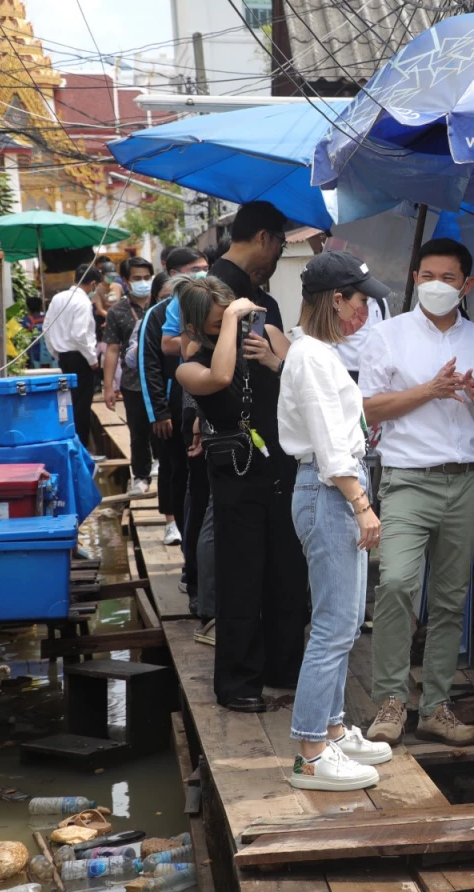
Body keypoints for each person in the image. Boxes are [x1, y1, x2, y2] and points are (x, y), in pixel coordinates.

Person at [361, 237, 474, 747]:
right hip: (406, 479)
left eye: (448, 278)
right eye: (427, 276)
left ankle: (437, 707)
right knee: (398, 584)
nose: (436, 286)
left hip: (465, 480)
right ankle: (390, 700)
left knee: (450, 599)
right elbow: (367, 409)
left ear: (467, 285)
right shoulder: (386, 336)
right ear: (414, 279)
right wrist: (430, 389)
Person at [177, 202, 299, 713]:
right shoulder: (193, 362)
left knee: (286, 570)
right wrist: (230, 324)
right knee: (242, 577)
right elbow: (221, 377)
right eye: (216, 315)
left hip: (277, 464)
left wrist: (272, 348)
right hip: (233, 473)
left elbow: (301, 371)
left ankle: (284, 667)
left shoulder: (261, 327)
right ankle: (238, 683)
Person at [279, 250, 393, 790]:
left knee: (342, 623)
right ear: (336, 300)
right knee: (333, 626)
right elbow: (329, 448)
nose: (366, 311)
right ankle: (310, 751)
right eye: (360, 300)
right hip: (331, 493)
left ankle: (332, 729)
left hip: (331, 492)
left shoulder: (318, 352)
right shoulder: (312, 358)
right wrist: (362, 504)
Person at [141, 247, 210, 546]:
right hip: (172, 404)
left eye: (206, 267)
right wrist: (158, 411)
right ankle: (175, 526)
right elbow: (149, 365)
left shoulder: (208, 303)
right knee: (174, 469)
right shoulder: (158, 314)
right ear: (174, 273)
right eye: (195, 269)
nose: (202, 274)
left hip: (196, 401)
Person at [103, 257, 156, 496]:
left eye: (147, 277)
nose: (143, 282)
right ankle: (141, 477)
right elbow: (112, 349)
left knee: (164, 428)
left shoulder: (162, 305)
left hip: (160, 381)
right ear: (125, 281)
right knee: (138, 432)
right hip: (133, 382)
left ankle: (163, 468)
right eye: (137, 278)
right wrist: (108, 387)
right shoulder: (117, 312)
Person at [45, 266, 104, 452]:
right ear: (93, 283)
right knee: (81, 404)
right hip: (80, 357)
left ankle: (72, 444)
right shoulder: (83, 302)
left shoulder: (57, 298)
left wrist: (56, 352)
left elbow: (46, 327)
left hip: (64, 356)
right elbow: (80, 335)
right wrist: (92, 359)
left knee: (68, 402)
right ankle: (82, 448)